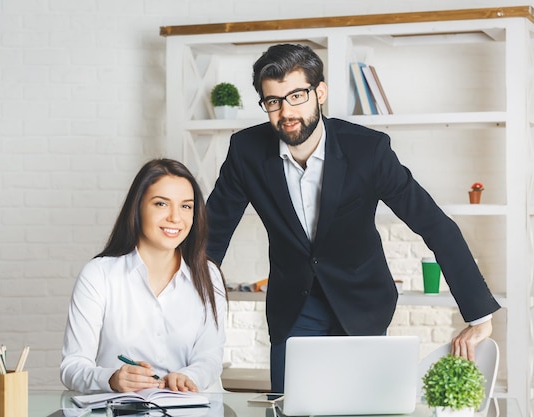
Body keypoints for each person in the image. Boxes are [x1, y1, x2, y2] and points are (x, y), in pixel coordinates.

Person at [205, 43, 501, 393]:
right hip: (294, 309)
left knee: (363, 406)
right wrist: (187, 315)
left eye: (297, 95)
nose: (286, 111)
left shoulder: (368, 151)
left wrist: (479, 315)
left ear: (320, 92)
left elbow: (432, 223)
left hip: (362, 303)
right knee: (292, 407)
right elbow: (212, 236)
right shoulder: (246, 152)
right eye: (274, 101)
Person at [61, 158, 226, 394]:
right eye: (161, 204)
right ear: (137, 207)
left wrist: (187, 377)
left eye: (186, 206)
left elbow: (210, 357)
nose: (175, 218)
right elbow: (72, 366)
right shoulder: (99, 274)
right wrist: (112, 379)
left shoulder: (209, 275)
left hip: (189, 408)